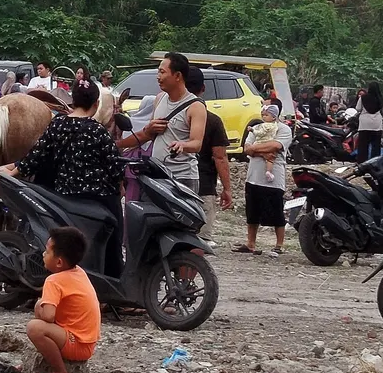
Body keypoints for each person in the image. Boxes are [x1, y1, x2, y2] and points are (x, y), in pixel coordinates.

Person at [5, 79, 124, 276]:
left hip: (64, 195)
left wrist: (11, 173)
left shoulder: (57, 124)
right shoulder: (98, 131)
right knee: (115, 233)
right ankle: (114, 278)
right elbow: (115, 168)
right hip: (98, 197)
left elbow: (35, 156)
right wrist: (120, 186)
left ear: (73, 101)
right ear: (96, 104)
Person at [25, 227, 100, 373]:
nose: (43, 254)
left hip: (78, 344)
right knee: (40, 320)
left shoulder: (54, 280)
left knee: (35, 328)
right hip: (87, 343)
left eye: (47, 251)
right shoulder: (78, 271)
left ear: (59, 262)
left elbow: (48, 317)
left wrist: (40, 305)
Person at [120, 53, 206, 192]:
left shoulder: (196, 106)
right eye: (158, 72)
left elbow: (197, 143)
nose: (158, 77)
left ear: (177, 76)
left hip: (182, 177)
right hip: (157, 173)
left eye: (162, 72)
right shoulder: (159, 99)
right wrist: (117, 144)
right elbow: (146, 136)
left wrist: (182, 145)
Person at [233, 104, 292, 257]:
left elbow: (276, 145)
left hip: (274, 179)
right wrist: (264, 153)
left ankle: (279, 244)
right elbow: (247, 148)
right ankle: (251, 243)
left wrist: (256, 149)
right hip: (254, 176)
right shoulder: (256, 128)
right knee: (252, 211)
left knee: (277, 211)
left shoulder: (284, 129)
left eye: (266, 113)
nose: (263, 115)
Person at [186, 68, 232, 244]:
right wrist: (227, 189)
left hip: (172, 184)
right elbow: (220, 157)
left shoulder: (166, 116)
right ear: (203, 88)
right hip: (203, 186)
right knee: (200, 241)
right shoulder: (212, 120)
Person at [355, 82, 383, 161]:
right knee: (376, 146)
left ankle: (362, 162)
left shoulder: (363, 97)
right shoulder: (380, 98)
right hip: (376, 124)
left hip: (364, 123)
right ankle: (374, 162)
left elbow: (358, 108)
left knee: (363, 145)